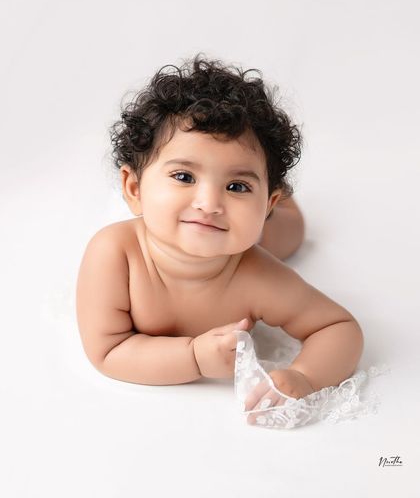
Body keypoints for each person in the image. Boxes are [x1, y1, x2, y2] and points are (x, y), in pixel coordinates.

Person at [76, 54, 363, 423]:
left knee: (288, 232)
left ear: (267, 203)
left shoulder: (259, 276)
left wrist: (305, 376)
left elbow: (338, 327)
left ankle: (282, 204)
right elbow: (107, 351)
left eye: (236, 185)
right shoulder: (115, 254)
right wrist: (194, 357)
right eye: (184, 176)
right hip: (234, 225)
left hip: (262, 232)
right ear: (133, 188)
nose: (209, 203)